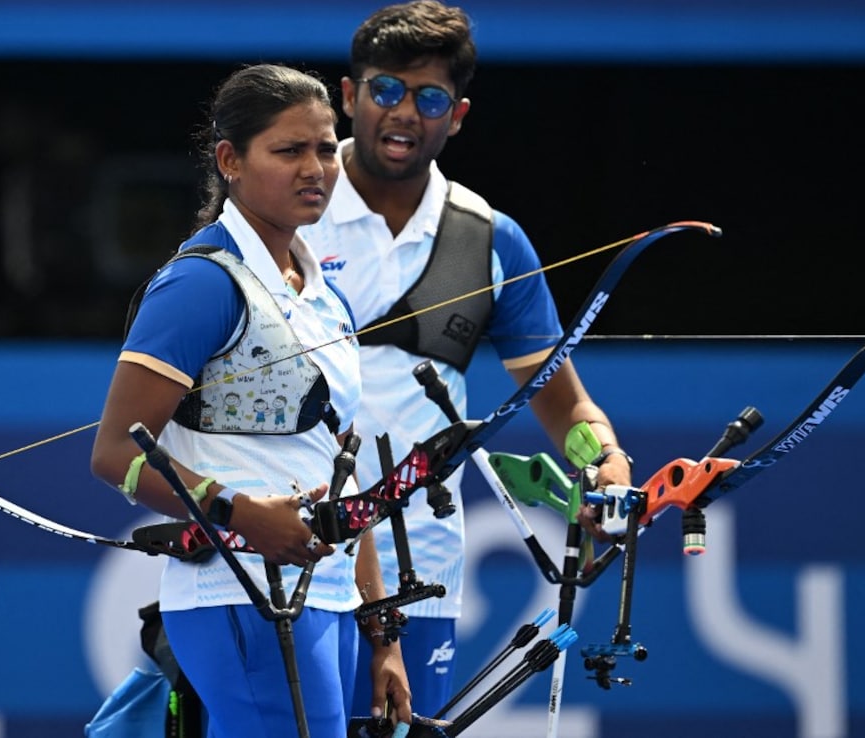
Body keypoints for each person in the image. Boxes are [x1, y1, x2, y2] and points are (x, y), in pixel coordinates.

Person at [297, 0, 634, 718]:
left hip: (421, 563)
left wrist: (602, 461)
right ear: (350, 95)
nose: (404, 112)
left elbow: (561, 398)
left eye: (430, 98)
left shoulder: (490, 239)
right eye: (387, 89)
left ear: (458, 114)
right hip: (294, 552)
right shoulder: (290, 207)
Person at [90, 63, 411, 737]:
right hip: (233, 593)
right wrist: (237, 513)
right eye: (289, 150)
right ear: (230, 160)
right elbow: (115, 454)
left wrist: (381, 632)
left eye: (326, 148)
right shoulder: (199, 286)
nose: (315, 168)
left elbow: (342, 471)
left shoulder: (326, 295)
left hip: (325, 595)